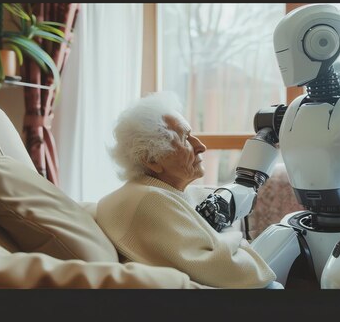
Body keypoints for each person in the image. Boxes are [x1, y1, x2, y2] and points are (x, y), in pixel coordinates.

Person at [96, 91, 279, 289]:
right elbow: (237, 271)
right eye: (185, 139)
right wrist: (230, 231)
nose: (201, 146)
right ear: (152, 160)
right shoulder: (149, 200)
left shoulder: (166, 192)